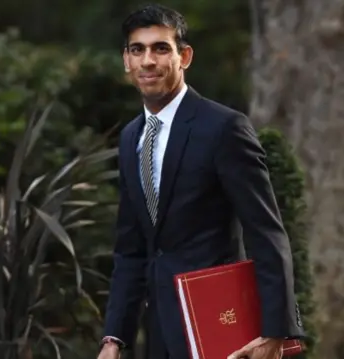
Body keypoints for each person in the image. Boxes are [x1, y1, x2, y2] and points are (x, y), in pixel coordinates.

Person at [97, 4, 305, 359]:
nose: (148, 61)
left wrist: (276, 331)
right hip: (159, 332)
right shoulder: (131, 136)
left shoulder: (224, 128)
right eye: (138, 50)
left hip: (221, 327)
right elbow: (131, 249)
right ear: (126, 61)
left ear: (185, 57)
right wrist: (114, 338)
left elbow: (265, 231)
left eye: (161, 48)